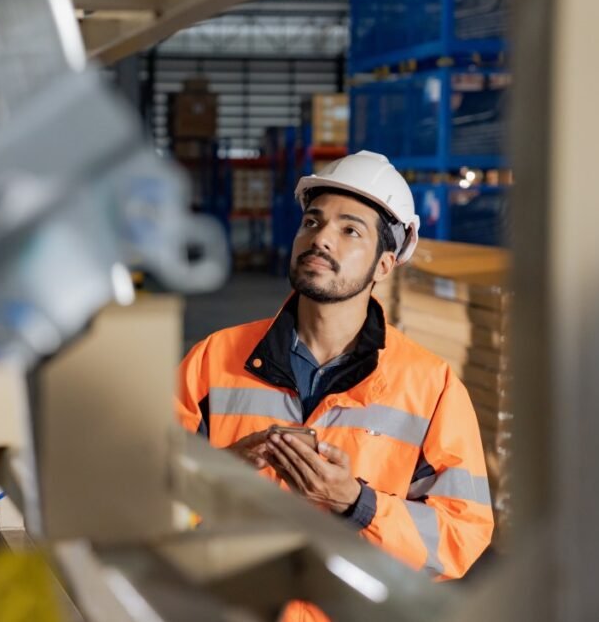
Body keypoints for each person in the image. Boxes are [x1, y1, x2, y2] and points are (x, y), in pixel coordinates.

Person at [176, 151, 493, 616]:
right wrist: (220, 475)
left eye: (350, 230)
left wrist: (358, 503)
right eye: (311, 221)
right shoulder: (213, 360)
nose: (321, 238)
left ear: (385, 265)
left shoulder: (432, 387)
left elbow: (461, 536)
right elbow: (142, 497)